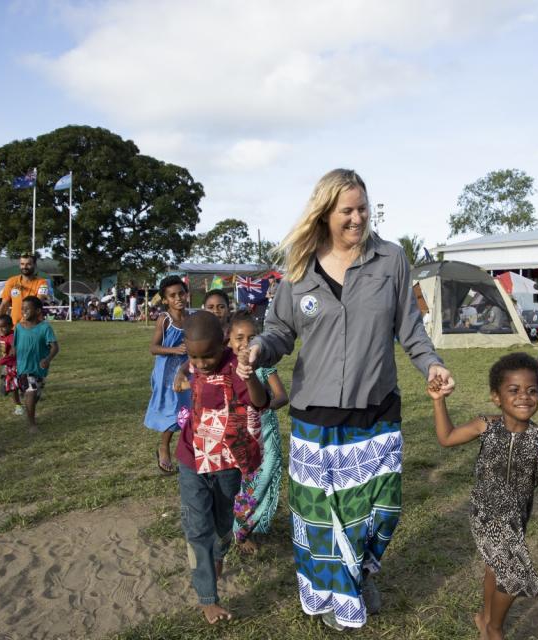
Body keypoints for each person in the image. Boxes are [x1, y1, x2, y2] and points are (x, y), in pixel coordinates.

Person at [244, 168, 455, 631]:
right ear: (325, 213)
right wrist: (261, 347)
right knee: (323, 515)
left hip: (376, 408)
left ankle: (360, 569)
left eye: (362, 208)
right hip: (315, 414)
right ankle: (342, 590)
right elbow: (280, 330)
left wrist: (432, 364)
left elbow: (409, 327)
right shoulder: (299, 268)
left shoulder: (391, 259)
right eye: (347, 211)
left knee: (382, 508)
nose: (357, 218)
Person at [429, 352, 538, 640]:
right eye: (513, 390)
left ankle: (485, 619)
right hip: (485, 513)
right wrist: (439, 401)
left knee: (496, 564)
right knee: (514, 576)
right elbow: (447, 437)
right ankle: (495, 630)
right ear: (496, 397)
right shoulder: (485, 426)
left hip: (517, 518)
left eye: (532, 390)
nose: (524, 397)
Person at [171, 311, 268, 625]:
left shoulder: (235, 367)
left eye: (207, 355)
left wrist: (250, 376)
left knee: (223, 523)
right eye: (194, 356)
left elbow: (261, 401)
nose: (201, 363)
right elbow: (188, 367)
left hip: (227, 462)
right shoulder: (196, 361)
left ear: (223, 341)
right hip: (191, 458)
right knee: (197, 528)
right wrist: (180, 372)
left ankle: (219, 553)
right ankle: (208, 598)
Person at [228, 314, 288, 554]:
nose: (245, 343)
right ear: (229, 341)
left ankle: (248, 523)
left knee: (265, 477)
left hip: (267, 432)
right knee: (244, 482)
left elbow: (282, 396)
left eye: (252, 337)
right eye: (239, 338)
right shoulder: (226, 368)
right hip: (242, 436)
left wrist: (263, 406)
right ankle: (239, 530)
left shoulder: (264, 366)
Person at [144, 275, 191, 475]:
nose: (178, 298)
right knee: (173, 410)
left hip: (188, 370)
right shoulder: (165, 320)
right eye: (172, 295)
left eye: (181, 293)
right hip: (166, 375)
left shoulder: (191, 318)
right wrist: (175, 350)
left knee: (187, 409)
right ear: (165, 300)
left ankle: (188, 452)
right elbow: (153, 348)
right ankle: (164, 447)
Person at [14, 296, 59, 433]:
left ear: (38, 310)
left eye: (27, 308)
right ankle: (32, 424)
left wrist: (47, 359)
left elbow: (55, 347)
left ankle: (28, 404)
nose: (24, 311)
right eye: (22, 308)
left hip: (39, 370)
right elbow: (14, 348)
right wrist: (9, 362)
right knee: (31, 392)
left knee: (35, 395)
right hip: (24, 369)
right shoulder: (19, 328)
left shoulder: (45, 328)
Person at [0, 254, 50, 327]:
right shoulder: (11, 281)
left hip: (33, 327)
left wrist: (21, 325)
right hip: (14, 327)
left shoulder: (42, 283)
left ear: (34, 265)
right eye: (22, 264)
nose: (24, 267)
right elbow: (4, 305)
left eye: (28, 264)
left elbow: (38, 304)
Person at [0, 314, 23, 416]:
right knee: (12, 386)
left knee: (15, 386)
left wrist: (11, 352)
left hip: (15, 364)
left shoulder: (11, 336)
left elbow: (14, 347)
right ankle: (18, 404)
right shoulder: (2, 335)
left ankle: (19, 403)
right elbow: (1, 342)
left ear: (11, 326)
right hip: (8, 364)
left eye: (3, 327)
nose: (0, 329)